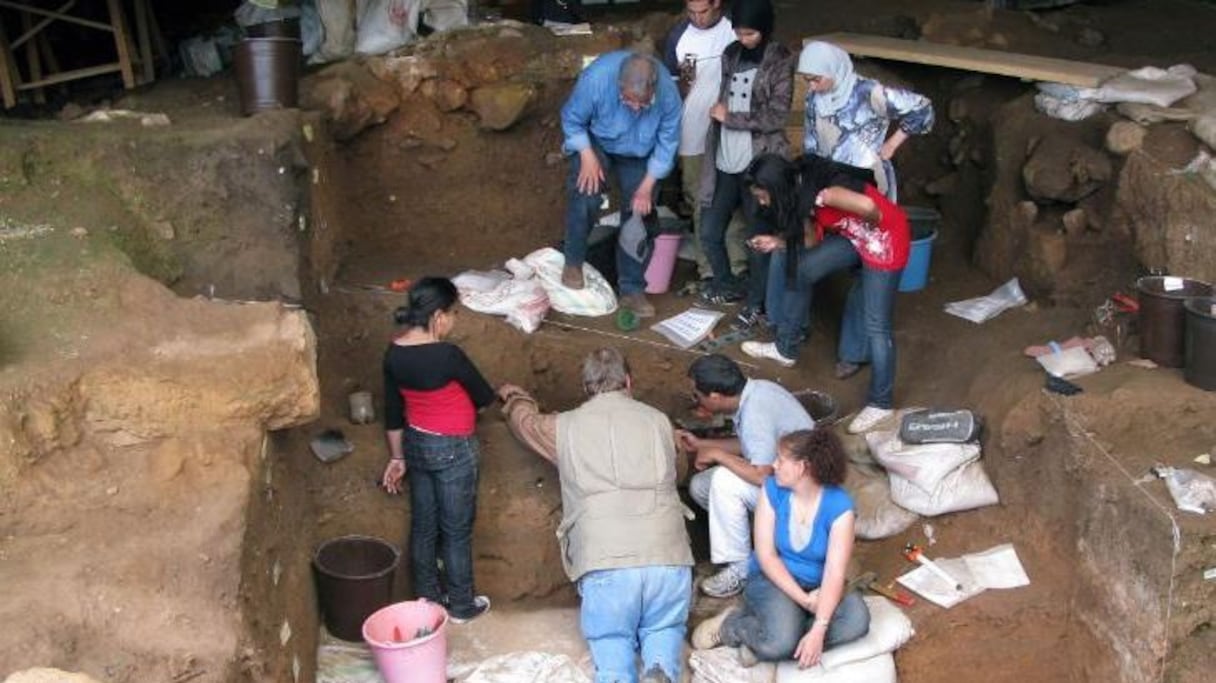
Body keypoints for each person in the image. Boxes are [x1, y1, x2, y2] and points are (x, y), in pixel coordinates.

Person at [498, 348, 694, 683]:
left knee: (612, 640)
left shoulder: (565, 426)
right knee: (663, 628)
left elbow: (525, 423)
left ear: (587, 387)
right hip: (667, 554)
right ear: (628, 382)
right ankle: (659, 668)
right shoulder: (659, 421)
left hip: (606, 559)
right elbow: (678, 473)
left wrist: (516, 398)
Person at [741, 153, 909, 434]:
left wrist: (861, 226)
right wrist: (777, 242)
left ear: (776, 188)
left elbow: (872, 209)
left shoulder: (825, 193)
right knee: (802, 268)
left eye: (762, 196)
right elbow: (809, 240)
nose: (761, 202)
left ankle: (881, 403)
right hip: (855, 239)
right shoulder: (798, 197)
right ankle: (786, 349)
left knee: (877, 325)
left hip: (884, 240)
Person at [691, 428, 870, 669]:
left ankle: (775, 636)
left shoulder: (840, 508)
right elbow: (767, 556)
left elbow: (834, 573)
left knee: (856, 620)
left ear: (803, 467)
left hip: (819, 587)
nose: (774, 465)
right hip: (773, 580)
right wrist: (806, 602)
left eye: (781, 460)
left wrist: (819, 628)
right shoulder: (773, 489)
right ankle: (732, 626)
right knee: (779, 643)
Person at [380, 277, 495, 623]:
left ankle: (428, 601)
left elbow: (392, 412)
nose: (454, 320)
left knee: (424, 527)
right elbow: (484, 396)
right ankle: (461, 605)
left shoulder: (394, 352)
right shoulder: (447, 355)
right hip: (454, 449)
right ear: (439, 316)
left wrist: (397, 458)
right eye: (454, 313)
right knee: (456, 531)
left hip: (416, 444)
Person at [678, 354, 813, 598]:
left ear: (715, 397)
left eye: (697, 395)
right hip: (790, 481)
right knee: (700, 485)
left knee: (724, 481)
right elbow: (750, 444)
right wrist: (702, 444)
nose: (695, 400)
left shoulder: (755, 413)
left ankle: (740, 569)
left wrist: (718, 454)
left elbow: (761, 475)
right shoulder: (756, 391)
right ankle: (756, 533)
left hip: (803, 501)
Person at [560, 50, 682, 318]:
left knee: (640, 213)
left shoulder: (668, 94)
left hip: (640, 152)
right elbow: (572, 119)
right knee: (586, 193)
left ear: (653, 88)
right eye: (629, 102)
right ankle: (573, 263)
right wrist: (587, 156)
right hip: (598, 143)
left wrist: (647, 185)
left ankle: (631, 289)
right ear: (619, 87)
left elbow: (667, 143)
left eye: (643, 104)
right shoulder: (596, 79)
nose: (637, 109)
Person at [696, 0, 793, 331]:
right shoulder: (731, 53)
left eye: (750, 33)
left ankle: (756, 304)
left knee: (757, 239)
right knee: (709, 231)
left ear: (764, 28)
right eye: (739, 32)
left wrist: (731, 117)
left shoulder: (779, 60)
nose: (744, 38)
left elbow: (777, 116)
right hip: (725, 159)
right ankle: (725, 285)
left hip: (757, 164)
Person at [662, 0, 747, 292]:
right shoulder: (678, 37)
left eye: (704, 11)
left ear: (717, 4)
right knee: (700, 202)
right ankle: (709, 269)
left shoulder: (735, 31)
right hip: (693, 134)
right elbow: (675, 89)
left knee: (733, 201)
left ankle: (737, 267)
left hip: (731, 132)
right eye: (691, 12)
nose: (697, 18)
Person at [797, 40, 934, 202]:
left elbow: (922, 108)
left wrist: (892, 144)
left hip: (866, 183)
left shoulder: (868, 93)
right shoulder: (814, 98)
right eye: (807, 80)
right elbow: (811, 142)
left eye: (816, 79)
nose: (812, 86)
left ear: (833, 69)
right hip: (829, 182)